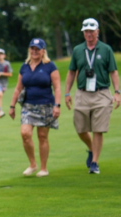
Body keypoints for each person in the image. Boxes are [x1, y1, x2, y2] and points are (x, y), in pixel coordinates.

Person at [65, 18, 120, 174]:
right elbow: (71, 72)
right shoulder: (77, 50)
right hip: (82, 93)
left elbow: (113, 72)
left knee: (98, 129)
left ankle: (95, 162)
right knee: (80, 128)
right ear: (83, 32)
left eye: (91, 30)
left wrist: (117, 92)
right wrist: (67, 93)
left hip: (102, 93)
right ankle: (91, 149)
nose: (89, 33)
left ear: (97, 31)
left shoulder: (106, 49)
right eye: (86, 31)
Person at [8, 39, 61, 177]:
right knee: (25, 134)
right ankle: (33, 164)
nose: (34, 51)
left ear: (43, 50)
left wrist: (57, 105)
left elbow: (57, 87)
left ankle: (43, 168)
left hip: (46, 105)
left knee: (42, 136)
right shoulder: (24, 66)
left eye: (37, 49)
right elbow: (18, 88)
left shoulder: (50, 66)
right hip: (28, 105)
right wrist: (12, 106)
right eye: (32, 48)